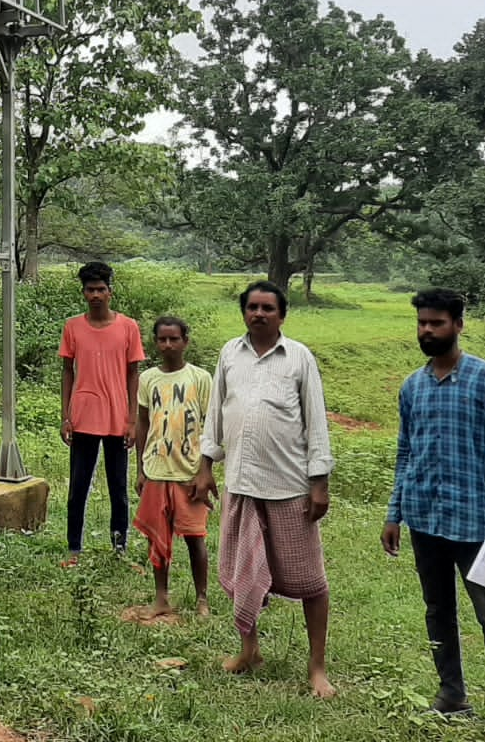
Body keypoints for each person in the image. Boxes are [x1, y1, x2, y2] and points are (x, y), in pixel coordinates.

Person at [382, 288, 485, 742]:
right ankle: (452, 696)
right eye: (422, 323)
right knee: (437, 611)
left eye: (437, 323)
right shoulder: (413, 386)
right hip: (425, 522)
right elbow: (406, 453)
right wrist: (395, 513)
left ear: (458, 325)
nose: (427, 331)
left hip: (476, 530)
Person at [190, 280, 336, 698]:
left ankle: (317, 666)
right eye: (252, 307)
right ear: (244, 313)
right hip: (241, 484)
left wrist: (319, 482)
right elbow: (216, 415)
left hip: (289, 487)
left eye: (268, 308)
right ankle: (248, 650)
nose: (259, 314)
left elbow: (316, 423)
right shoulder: (229, 355)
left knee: (311, 581)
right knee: (242, 574)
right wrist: (205, 468)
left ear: (282, 315)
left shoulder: (299, 358)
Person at [59, 260, 145, 561]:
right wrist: (65, 416)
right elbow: (67, 371)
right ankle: (73, 548)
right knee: (77, 488)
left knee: (118, 488)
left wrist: (132, 419)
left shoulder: (128, 327)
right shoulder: (73, 327)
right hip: (83, 416)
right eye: (90, 290)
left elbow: (134, 373)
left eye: (101, 289)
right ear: (83, 293)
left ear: (110, 291)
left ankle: (119, 548)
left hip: (117, 417)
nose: (96, 295)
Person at [133, 316, 213, 618]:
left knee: (195, 538)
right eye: (162, 339)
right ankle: (161, 597)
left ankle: (202, 599)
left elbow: (212, 426)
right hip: (156, 470)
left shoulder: (199, 378)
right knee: (157, 538)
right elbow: (142, 422)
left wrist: (206, 470)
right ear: (156, 342)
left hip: (189, 471)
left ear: (185, 342)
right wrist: (140, 468)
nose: (168, 345)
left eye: (174, 339)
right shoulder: (148, 379)